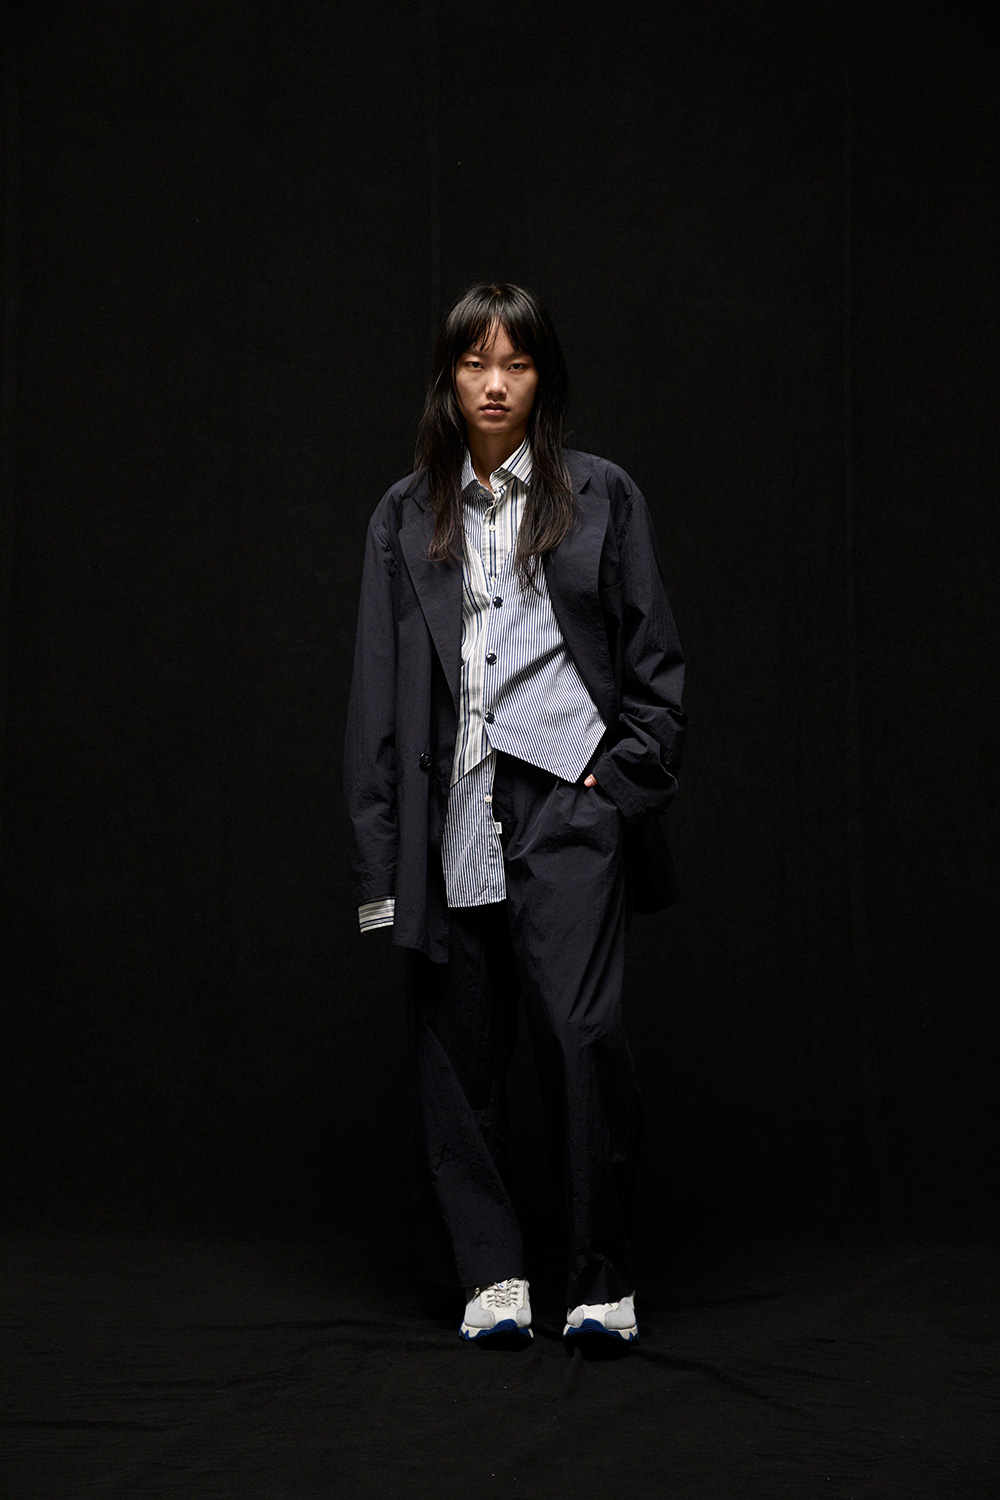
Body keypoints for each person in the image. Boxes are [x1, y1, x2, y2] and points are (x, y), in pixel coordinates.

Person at [344, 282, 685, 1348]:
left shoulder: (602, 494)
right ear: (448, 379)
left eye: (517, 364)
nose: (495, 384)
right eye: (474, 363)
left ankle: (599, 1278)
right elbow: (375, 696)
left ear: (543, 378)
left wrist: (615, 784)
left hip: (568, 802)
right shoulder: (405, 514)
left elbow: (655, 660)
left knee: (582, 1038)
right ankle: (492, 1279)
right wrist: (380, 861)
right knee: (457, 1048)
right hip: (452, 803)